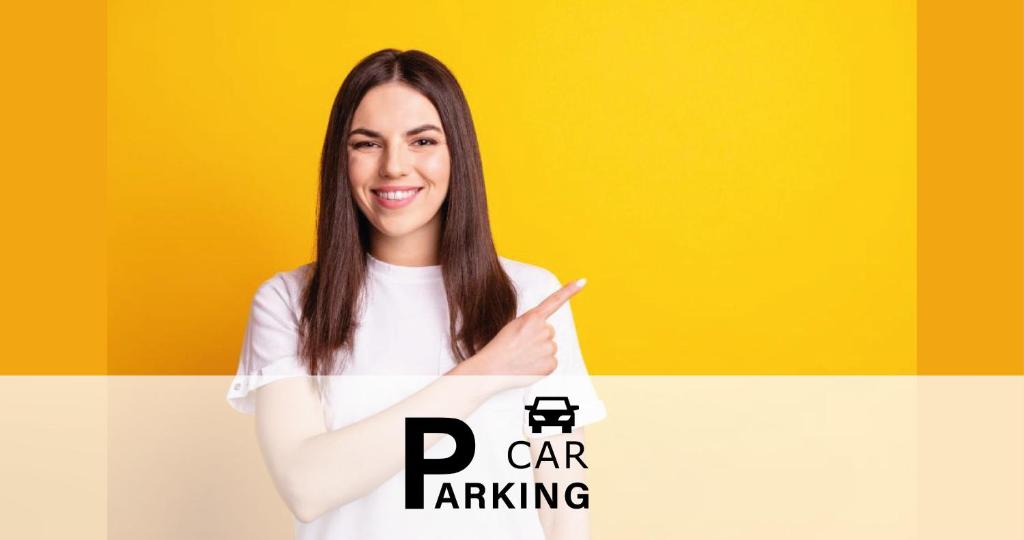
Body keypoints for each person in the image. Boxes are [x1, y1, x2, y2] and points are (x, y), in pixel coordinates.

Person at [226, 48, 606, 539]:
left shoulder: (531, 297)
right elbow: (306, 485)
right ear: (341, 160)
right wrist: (485, 372)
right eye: (367, 144)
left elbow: (559, 498)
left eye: (422, 140)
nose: (395, 167)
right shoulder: (289, 303)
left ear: (457, 153)